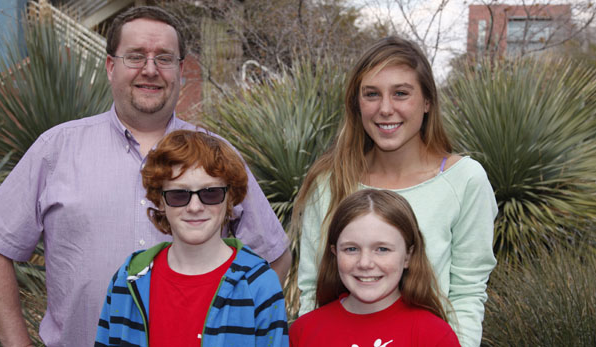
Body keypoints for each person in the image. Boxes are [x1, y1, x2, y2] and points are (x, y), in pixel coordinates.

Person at [0, 6, 290, 347]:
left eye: (165, 58)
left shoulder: (216, 157)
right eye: (136, 56)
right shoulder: (56, 150)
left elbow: (273, 255)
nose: (151, 70)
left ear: (181, 70)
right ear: (111, 66)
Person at [293, 36, 497, 347]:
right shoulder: (330, 180)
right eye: (371, 94)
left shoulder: (465, 180)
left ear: (427, 101)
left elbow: (468, 291)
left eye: (401, 93)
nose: (385, 109)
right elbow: (311, 289)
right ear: (356, 104)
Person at [95, 130, 288, 346]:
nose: (195, 207)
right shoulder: (128, 279)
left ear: (230, 198)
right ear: (160, 201)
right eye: (179, 195)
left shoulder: (259, 284)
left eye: (210, 193)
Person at [290, 189, 460, 346]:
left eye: (382, 249)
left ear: (408, 255)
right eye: (351, 249)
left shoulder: (435, 336)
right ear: (335, 253)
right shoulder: (303, 332)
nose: (365, 263)